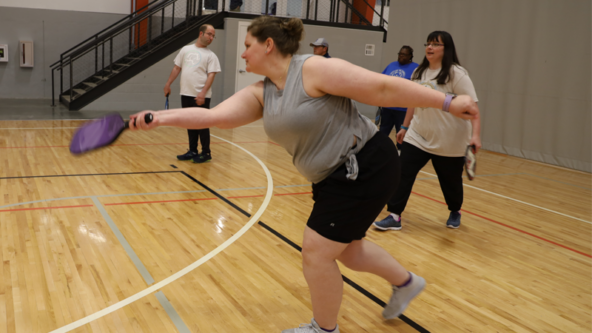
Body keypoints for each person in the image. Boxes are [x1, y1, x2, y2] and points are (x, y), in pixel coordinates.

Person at [131, 18, 479, 333]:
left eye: (248, 46)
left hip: (365, 165)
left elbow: (382, 88)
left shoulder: (312, 70)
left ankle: (324, 329)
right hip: (333, 177)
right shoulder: (262, 92)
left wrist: (446, 103)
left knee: (316, 251)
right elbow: (215, 117)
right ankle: (406, 283)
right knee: (348, 251)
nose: (243, 55)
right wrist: (160, 118)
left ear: (269, 45)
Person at [374, 31, 481, 232]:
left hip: (450, 141)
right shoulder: (419, 72)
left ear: (446, 49)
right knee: (402, 173)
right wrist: (405, 127)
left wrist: (475, 135)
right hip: (418, 135)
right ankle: (394, 215)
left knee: (450, 183)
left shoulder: (457, 74)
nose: (429, 47)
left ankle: (455, 210)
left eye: (436, 44)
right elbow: (413, 102)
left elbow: (473, 107)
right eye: (428, 43)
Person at [163, 24, 221, 163]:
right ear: (201, 33)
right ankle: (193, 150)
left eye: (213, 35)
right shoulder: (186, 50)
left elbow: (211, 76)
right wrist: (168, 83)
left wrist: (202, 93)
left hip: (201, 96)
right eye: (209, 34)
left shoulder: (211, 56)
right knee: (190, 123)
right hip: (186, 93)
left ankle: (206, 152)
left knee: (202, 124)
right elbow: (177, 68)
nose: (211, 37)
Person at [378, 46, 418, 142]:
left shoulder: (416, 68)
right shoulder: (391, 65)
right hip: (387, 106)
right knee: (382, 134)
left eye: (404, 54)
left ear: (410, 56)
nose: (401, 56)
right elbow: (381, 80)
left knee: (401, 136)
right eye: (400, 54)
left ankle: (400, 154)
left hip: (403, 109)